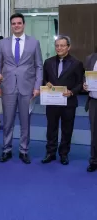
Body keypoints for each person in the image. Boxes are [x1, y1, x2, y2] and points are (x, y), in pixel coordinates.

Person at [0, 13, 43, 164]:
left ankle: (24, 150)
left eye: (19, 23)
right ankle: (6, 149)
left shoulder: (34, 43)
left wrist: (37, 87)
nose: (16, 25)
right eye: (13, 23)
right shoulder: (3, 43)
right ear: (11, 26)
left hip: (27, 89)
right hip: (7, 87)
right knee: (8, 121)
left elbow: (39, 66)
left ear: (24, 24)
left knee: (25, 121)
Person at [41, 35, 83, 165]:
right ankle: (50, 153)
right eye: (57, 45)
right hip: (52, 101)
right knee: (51, 128)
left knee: (67, 129)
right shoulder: (48, 62)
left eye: (62, 45)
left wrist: (72, 92)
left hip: (68, 102)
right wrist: (47, 83)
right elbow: (43, 79)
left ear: (68, 47)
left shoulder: (77, 63)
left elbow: (81, 83)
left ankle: (64, 154)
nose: (59, 48)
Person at [84, 51, 97, 172]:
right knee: (94, 132)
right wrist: (84, 84)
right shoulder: (90, 58)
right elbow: (85, 77)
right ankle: (94, 160)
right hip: (94, 101)